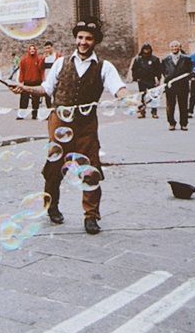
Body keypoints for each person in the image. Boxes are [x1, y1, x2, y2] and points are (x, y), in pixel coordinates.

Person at [10, 17, 128, 235]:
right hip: (59, 122)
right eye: (80, 37)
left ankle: (91, 216)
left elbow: (118, 88)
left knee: (91, 170)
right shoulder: (60, 63)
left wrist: (128, 98)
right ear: (76, 39)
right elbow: (46, 89)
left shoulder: (104, 67)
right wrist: (24, 88)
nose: (83, 42)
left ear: (95, 41)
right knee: (54, 168)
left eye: (88, 39)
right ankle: (52, 205)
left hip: (86, 126)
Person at [161, 40, 192, 131]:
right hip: (170, 86)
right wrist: (167, 79)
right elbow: (163, 71)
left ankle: (184, 123)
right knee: (170, 105)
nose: (174, 48)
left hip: (183, 85)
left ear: (179, 47)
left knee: (183, 105)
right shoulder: (165, 59)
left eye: (176, 46)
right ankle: (171, 123)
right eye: (172, 46)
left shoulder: (186, 58)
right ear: (170, 48)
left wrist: (186, 79)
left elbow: (190, 70)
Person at [129, 43, 161, 119]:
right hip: (142, 80)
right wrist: (135, 78)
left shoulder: (154, 59)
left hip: (151, 80)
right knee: (143, 96)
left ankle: (154, 112)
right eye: (145, 49)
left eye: (148, 49)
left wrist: (158, 79)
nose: (146, 51)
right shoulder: (138, 59)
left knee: (153, 96)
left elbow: (158, 70)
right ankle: (142, 112)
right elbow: (134, 69)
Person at [17, 44, 44, 120]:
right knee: (24, 100)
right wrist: (21, 81)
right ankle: (21, 115)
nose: (32, 50)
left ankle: (34, 115)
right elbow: (21, 71)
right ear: (28, 50)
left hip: (36, 82)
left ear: (35, 50)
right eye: (31, 49)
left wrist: (43, 81)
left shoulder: (39, 59)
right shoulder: (24, 60)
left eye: (33, 49)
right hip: (27, 82)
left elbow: (41, 71)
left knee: (36, 100)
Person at [41, 42, 57, 109]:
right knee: (47, 96)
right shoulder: (44, 57)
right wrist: (42, 59)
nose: (47, 50)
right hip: (47, 79)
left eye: (49, 48)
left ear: (52, 48)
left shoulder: (57, 56)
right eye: (46, 48)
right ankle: (49, 110)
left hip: (56, 79)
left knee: (56, 95)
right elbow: (40, 67)